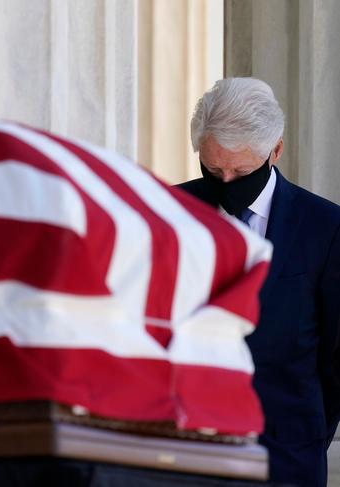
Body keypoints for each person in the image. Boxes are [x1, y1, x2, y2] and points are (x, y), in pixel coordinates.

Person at [178, 77, 340, 486]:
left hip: (287, 458)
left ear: (276, 150)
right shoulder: (168, 211)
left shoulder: (326, 227)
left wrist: (310, 436)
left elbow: (335, 358)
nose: (228, 181)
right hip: (186, 452)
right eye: (214, 169)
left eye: (242, 170)